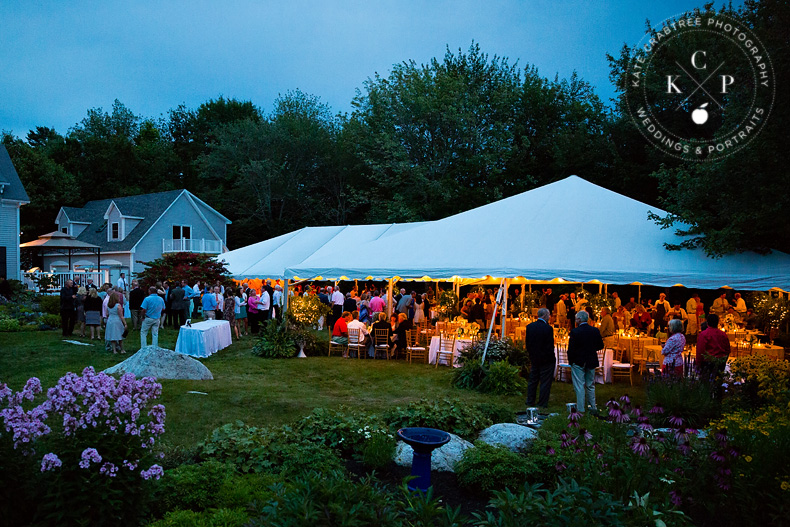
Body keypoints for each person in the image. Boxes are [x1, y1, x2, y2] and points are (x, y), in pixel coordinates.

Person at [567, 310, 604, 415]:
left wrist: (571, 360)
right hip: (591, 360)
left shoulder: (575, 332)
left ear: (579, 319)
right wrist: (591, 348)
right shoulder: (595, 330)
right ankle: (593, 406)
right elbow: (600, 345)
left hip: (578, 361)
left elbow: (571, 348)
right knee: (590, 384)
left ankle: (581, 408)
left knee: (579, 385)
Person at [525, 308, 555, 409]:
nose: (550, 317)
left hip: (534, 357)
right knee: (545, 381)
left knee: (533, 380)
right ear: (545, 316)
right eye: (549, 315)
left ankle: (530, 400)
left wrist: (531, 354)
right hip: (546, 358)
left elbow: (528, 343)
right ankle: (542, 402)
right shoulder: (548, 328)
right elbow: (550, 345)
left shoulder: (530, 327)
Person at [696, 313, 731, 379]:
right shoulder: (723, 334)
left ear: (707, 322)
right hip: (720, 362)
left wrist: (698, 363)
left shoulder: (704, 334)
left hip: (708, 363)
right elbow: (727, 349)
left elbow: (700, 351)